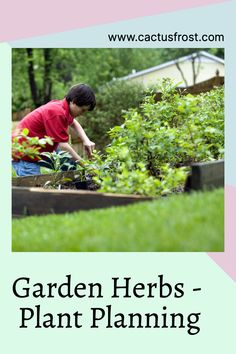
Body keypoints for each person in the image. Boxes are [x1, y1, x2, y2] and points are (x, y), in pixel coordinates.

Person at [12, 83, 96, 176]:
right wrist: (86, 165)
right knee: (33, 186)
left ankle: (66, 185)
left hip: (39, 149)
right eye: (82, 110)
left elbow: (73, 123)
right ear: (73, 101)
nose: (82, 113)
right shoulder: (57, 112)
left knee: (69, 161)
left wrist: (86, 140)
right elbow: (63, 146)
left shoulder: (64, 107)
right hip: (24, 154)